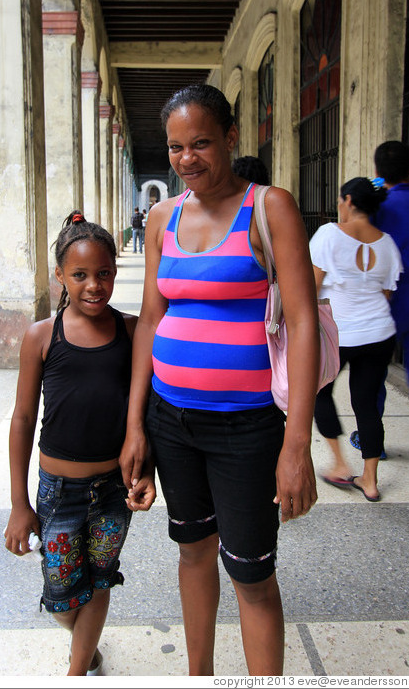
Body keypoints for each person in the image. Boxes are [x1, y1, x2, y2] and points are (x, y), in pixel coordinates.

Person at [120, 83, 320, 676]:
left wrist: (297, 443)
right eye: (177, 147)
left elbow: (304, 321)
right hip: (170, 419)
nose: (187, 159)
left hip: (248, 427)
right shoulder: (162, 217)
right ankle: (198, 675)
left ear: (231, 138)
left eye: (202, 142)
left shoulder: (270, 207)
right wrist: (136, 424)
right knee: (193, 553)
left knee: (253, 574)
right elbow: (152, 319)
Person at [4, 211, 155, 676]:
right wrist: (18, 502)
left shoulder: (131, 333)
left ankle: (77, 672)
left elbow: (145, 412)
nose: (94, 285)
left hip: (113, 490)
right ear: (60, 276)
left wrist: (146, 470)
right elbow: (23, 418)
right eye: (80, 275)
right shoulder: (40, 337)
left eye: (104, 273)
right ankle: (85, 647)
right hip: (57, 495)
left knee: (100, 580)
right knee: (61, 598)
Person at [309, 178, 403, 502]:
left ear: (348, 200)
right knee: (366, 404)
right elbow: (387, 293)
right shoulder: (387, 243)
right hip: (380, 334)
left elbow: (312, 288)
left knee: (319, 393)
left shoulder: (329, 235)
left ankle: (337, 464)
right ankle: (370, 481)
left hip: (339, 333)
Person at [351, 141, 409, 451]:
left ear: (376, 171)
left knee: (373, 372)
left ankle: (373, 442)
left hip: (387, 300)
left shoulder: (378, 209)